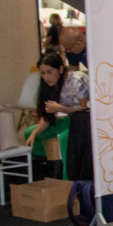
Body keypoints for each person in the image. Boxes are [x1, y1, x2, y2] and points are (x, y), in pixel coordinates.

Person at [25, 50, 91, 181]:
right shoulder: (49, 85)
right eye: (43, 73)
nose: (46, 77)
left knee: (65, 138)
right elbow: (47, 116)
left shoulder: (76, 80)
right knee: (30, 132)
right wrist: (35, 133)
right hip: (68, 118)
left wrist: (61, 109)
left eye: (49, 72)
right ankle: (44, 174)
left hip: (84, 122)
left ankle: (68, 180)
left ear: (60, 69)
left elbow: (86, 110)